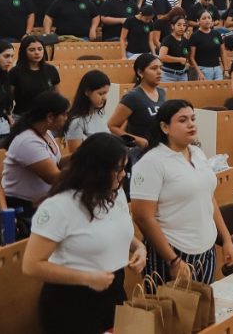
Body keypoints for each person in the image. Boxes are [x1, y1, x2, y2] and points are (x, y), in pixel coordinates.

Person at [23, 133, 146, 334]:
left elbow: (114, 230)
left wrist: (139, 248)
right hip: (72, 302)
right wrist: (87, 278)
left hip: (113, 291)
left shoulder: (115, 192)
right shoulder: (59, 206)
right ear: (97, 170)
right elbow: (31, 265)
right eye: (118, 169)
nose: (123, 174)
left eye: (124, 168)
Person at [132, 100, 233, 285]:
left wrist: (227, 239)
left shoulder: (197, 153)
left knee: (203, 303)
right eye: (182, 120)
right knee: (170, 304)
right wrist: (173, 260)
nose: (191, 124)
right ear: (164, 127)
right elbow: (143, 217)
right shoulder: (152, 162)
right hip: (172, 250)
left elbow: (208, 197)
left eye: (193, 119)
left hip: (206, 249)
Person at [2, 92, 68, 216]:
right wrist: (84, 171)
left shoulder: (46, 133)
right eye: (64, 114)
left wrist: (82, 155)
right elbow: (55, 178)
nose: (66, 118)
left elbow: (56, 162)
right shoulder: (28, 141)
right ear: (50, 117)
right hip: (23, 208)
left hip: (41, 203)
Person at [107, 54, 165, 150]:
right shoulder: (133, 97)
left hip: (159, 148)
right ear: (140, 72)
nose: (159, 72)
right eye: (154, 68)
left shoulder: (162, 92)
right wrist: (137, 140)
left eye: (161, 68)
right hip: (140, 152)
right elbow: (112, 126)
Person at [10, 35, 62, 115]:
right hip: (22, 116)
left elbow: (57, 95)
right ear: (24, 52)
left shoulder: (51, 70)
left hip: (46, 115)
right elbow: (9, 98)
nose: (37, 52)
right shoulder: (15, 72)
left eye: (40, 49)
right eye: (32, 50)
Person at [65, 70, 111, 153]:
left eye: (106, 93)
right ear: (87, 92)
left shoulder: (100, 113)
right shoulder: (77, 122)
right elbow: (76, 155)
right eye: (100, 94)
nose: (104, 98)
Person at [190, 11, 226, 80]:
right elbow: (191, 57)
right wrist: (199, 72)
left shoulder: (217, 34)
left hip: (217, 69)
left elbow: (223, 53)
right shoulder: (195, 36)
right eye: (204, 18)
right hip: (203, 69)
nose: (207, 20)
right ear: (198, 21)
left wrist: (226, 69)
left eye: (209, 18)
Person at [158, 14, 191, 83]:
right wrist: (179, 59)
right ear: (172, 26)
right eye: (179, 25)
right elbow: (162, 57)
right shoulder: (167, 40)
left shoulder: (186, 41)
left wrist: (187, 62)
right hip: (168, 75)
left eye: (184, 25)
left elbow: (187, 56)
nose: (182, 27)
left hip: (183, 75)